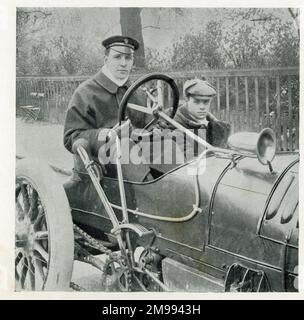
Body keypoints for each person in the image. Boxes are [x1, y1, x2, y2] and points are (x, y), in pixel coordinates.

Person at [63, 35, 144, 180]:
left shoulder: (135, 91)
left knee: (170, 146)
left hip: (138, 159)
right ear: (106, 60)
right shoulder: (85, 93)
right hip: (100, 166)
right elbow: (71, 137)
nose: (124, 63)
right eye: (117, 57)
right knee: (128, 150)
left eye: (128, 58)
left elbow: (148, 125)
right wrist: (107, 135)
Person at [173, 78, 230, 150]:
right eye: (196, 102)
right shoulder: (173, 125)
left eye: (206, 102)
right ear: (186, 99)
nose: (202, 107)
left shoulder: (217, 126)